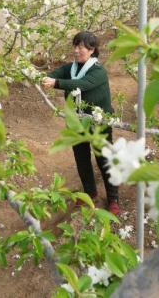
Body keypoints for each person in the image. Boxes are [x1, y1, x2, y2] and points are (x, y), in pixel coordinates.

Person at [41, 31, 120, 216]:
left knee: (104, 159)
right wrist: (46, 77)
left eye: (81, 47)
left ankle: (113, 199)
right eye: (74, 46)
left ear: (91, 50)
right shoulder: (72, 67)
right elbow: (55, 73)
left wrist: (56, 83)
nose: (76, 50)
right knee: (82, 159)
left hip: (99, 122)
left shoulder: (98, 71)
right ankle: (90, 193)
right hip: (77, 121)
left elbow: (80, 85)